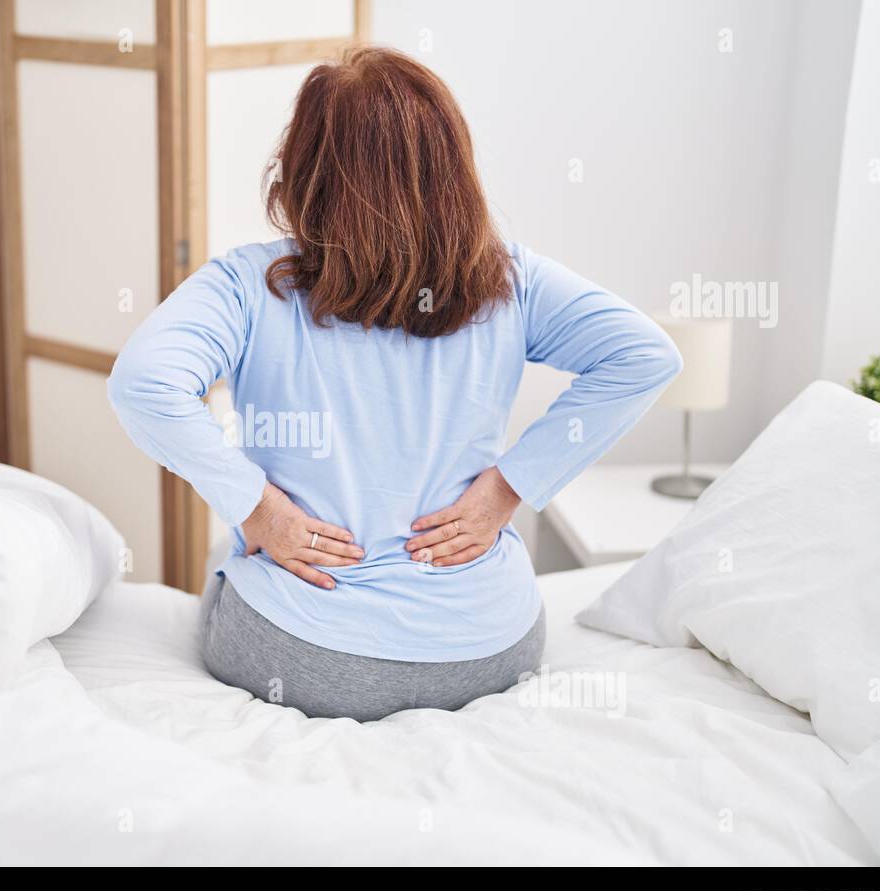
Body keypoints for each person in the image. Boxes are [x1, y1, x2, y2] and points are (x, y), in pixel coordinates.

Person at [108, 46, 681, 721]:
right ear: (453, 172)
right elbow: (646, 355)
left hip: (300, 652)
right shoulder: (508, 280)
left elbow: (143, 383)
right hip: (488, 650)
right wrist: (509, 489)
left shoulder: (248, 284)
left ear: (304, 171)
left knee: (223, 572)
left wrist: (256, 507)